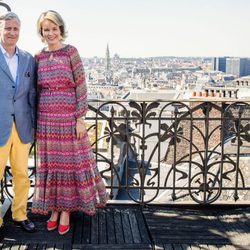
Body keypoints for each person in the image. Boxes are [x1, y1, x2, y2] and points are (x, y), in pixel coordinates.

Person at [31, 10, 108, 235]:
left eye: (54, 28)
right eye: (47, 29)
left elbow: (82, 85)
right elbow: (36, 90)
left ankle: (66, 210)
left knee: (71, 162)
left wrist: (80, 117)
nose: (51, 33)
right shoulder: (39, 56)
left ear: (61, 29)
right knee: (52, 164)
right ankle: (54, 208)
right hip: (46, 118)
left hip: (68, 117)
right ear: (41, 32)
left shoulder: (71, 52)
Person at [0, 12, 37, 233]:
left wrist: (33, 123)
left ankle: (20, 214)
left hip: (22, 126)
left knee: (22, 174)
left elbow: (32, 93)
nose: (11, 32)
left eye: (15, 29)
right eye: (7, 28)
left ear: (19, 31)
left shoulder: (27, 59)